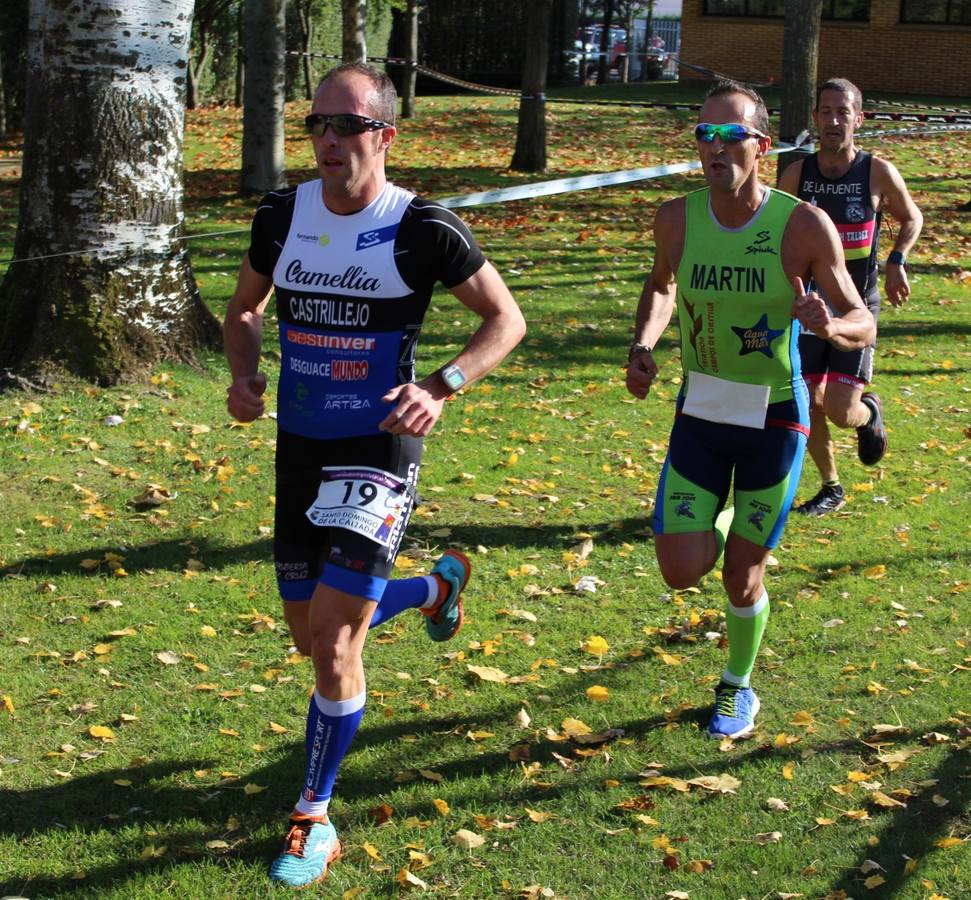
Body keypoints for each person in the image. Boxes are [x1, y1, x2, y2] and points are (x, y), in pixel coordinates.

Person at [223, 62, 525, 888]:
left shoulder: (422, 226)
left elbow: (506, 319)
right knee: (309, 635)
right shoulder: (282, 214)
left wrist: (441, 386)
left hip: (380, 444)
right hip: (301, 444)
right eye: (316, 123)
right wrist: (244, 374)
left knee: (332, 646)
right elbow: (244, 309)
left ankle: (312, 816)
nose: (326, 139)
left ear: (384, 136)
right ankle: (433, 591)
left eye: (345, 126)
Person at [625, 80, 875, 740]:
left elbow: (862, 321)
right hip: (702, 410)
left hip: (775, 417)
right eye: (704, 134)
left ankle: (736, 686)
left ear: (760, 147)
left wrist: (831, 329)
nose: (714, 147)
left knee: (740, 575)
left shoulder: (799, 224)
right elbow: (660, 287)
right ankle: (728, 512)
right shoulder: (675, 219)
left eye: (730, 134)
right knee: (681, 569)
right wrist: (644, 343)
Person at [779, 77, 923, 516]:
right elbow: (773, 230)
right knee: (806, 398)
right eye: (826, 112)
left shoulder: (876, 171)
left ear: (858, 119)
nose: (833, 121)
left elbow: (911, 217)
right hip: (808, 309)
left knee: (839, 409)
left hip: (856, 307)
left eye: (843, 113)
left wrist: (897, 258)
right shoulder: (798, 174)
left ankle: (868, 411)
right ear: (816, 118)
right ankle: (830, 486)